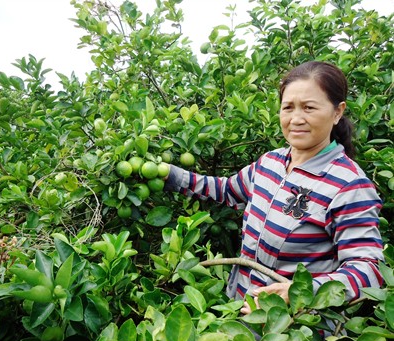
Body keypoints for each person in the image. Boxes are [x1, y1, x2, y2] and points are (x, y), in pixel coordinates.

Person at [164, 61, 384, 314]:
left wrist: (301, 292)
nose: (296, 119)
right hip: (239, 310)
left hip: (295, 332)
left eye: (309, 108)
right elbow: (227, 189)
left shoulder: (349, 185)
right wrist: (170, 175)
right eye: (288, 107)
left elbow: (368, 268)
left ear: (337, 112)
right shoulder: (271, 162)